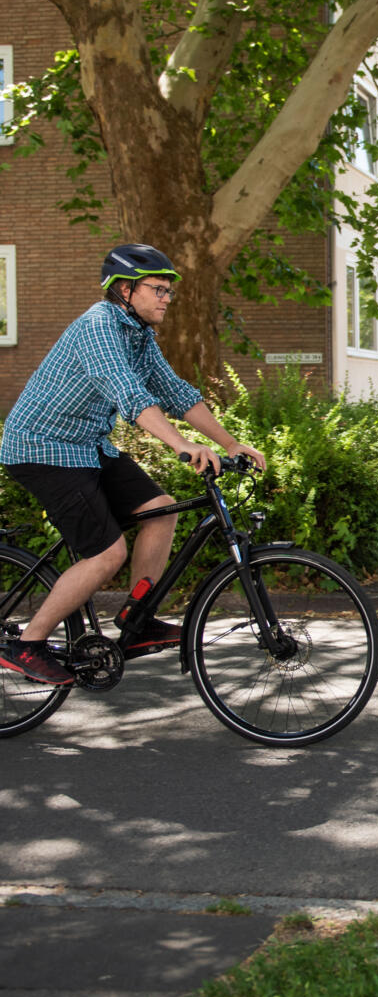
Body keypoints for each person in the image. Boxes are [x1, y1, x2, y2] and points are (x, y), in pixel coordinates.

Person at [0, 243, 265, 686]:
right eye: (158, 289)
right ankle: (27, 645)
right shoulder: (99, 327)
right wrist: (182, 446)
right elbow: (131, 396)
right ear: (125, 289)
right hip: (41, 449)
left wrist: (230, 442)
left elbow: (176, 392)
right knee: (107, 553)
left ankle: (136, 618)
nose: (166, 298)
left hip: (87, 445)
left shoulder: (138, 334)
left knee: (161, 512)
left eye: (169, 292)